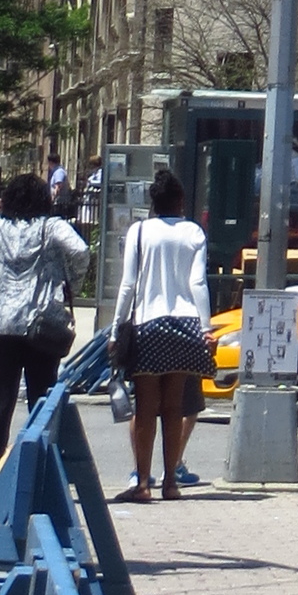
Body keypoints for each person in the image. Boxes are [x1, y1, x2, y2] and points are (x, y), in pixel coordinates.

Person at [0, 176, 88, 476]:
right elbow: (80, 250)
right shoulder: (52, 226)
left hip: (0, 323)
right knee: (42, 395)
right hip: (41, 323)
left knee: (1, 395)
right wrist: (71, 281)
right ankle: (43, 463)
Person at [110, 169, 213, 503]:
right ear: (181, 201)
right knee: (174, 408)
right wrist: (206, 326)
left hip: (148, 325)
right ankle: (171, 482)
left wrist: (115, 330)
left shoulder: (139, 231)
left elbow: (128, 285)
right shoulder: (193, 232)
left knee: (146, 408)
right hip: (185, 326)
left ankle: (142, 483)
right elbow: (198, 283)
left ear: (152, 202)